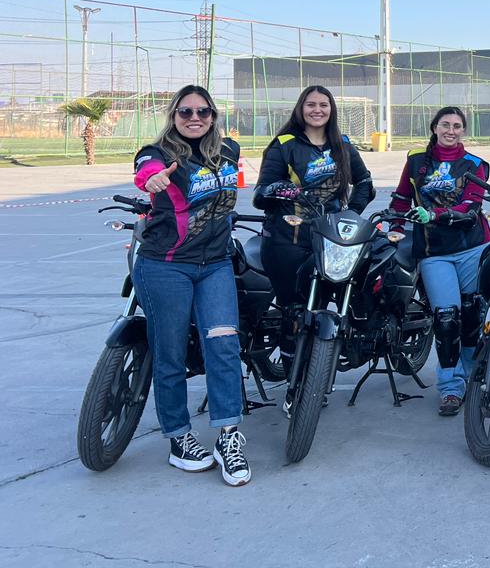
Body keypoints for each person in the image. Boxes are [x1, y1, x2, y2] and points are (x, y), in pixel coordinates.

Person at [131, 86, 251, 486]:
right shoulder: (159, 153)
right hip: (166, 266)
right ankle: (179, 438)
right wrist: (151, 181)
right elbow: (144, 170)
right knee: (170, 351)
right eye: (186, 111)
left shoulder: (228, 151)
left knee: (224, 345)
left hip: (215, 264)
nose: (194, 117)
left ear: (213, 116)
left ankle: (228, 437)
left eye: (203, 111)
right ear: (174, 115)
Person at [253, 85, 375, 409]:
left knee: (327, 306)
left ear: (331, 109)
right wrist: (280, 190)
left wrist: (351, 214)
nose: (317, 110)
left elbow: (365, 183)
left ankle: (321, 371)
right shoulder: (284, 145)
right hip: (287, 242)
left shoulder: (343, 145)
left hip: (333, 242)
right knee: (294, 313)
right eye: (311, 104)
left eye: (323, 104)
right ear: (300, 108)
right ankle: (295, 384)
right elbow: (260, 194)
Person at [389, 107, 490, 416]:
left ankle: (474, 374)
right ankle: (450, 387)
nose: (451, 130)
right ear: (434, 127)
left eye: (457, 126)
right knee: (447, 320)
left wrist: (434, 214)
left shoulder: (475, 165)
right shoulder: (417, 162)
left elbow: (470, 207)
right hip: (434, 252)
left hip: (472, 246)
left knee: (472, 316)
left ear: (463, 131)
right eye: (445, 124)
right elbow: (400, 198)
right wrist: (394, 228)